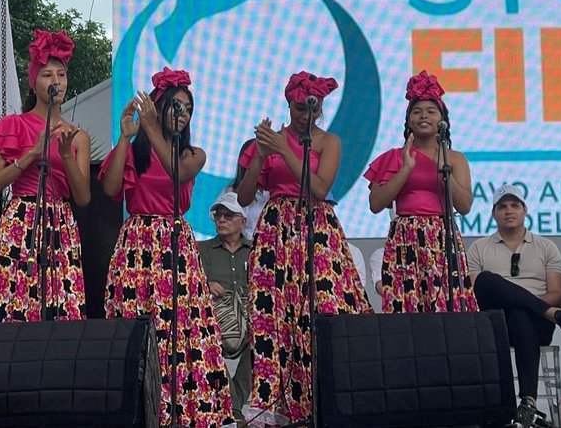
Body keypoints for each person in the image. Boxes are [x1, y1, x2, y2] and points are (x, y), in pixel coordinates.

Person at [235, 71, 373, 427]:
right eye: (299, 108)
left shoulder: (329, 142)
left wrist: (284, 151)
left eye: (312, 109)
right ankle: (278, 409)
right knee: (277, 319)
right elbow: (245, 196)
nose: (305, 116)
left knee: (324, 310)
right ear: (289, 105)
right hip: (276, 230)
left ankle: (328, 402)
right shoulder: (271, 140)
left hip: (317, 230)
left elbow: (320, 186)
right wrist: (261, 157)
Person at [100, 67, 231, 428]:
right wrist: (127, 137)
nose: (182, 113)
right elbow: (111, 190)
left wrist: (153, 127)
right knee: (140, 327)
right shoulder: (138, 151)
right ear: (159, 107)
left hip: (174, 244)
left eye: (187, 108)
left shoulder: (193, 154)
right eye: (175, 105)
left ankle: (185, 409)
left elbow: (177, 175)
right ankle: (140, 410)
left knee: (180, 328)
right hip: (137, 245)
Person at [0, 28, 91, 321]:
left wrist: (66, 154)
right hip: (22, 221)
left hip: (60, 223)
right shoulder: (12, 125)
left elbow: (82, 198)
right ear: (34, 82)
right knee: (16, 305)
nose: (56, 81)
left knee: (60, 308)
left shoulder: (78, 135)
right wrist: (31, 154)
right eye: (47, 74)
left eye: (61, 74)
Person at [467, 184, 561, 428]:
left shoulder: (546, 246)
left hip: (535, 324)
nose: (508, 211)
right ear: (493, 213)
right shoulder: (478, 248)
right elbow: (473, 292)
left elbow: (558, 294)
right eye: (502, 206)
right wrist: (549, 309)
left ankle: (527, 405)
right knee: (488, 280)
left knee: (520, 315)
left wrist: (523, 304)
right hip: (493, 325)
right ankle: (559, 318)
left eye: (514, 205)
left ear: (525, 210)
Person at [365, 70, 478, 312]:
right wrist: (405, 170)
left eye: (430, 111)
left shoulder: (455, 159)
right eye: (417, 112)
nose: (423, 116)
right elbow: (375, 204)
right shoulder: (394, 157)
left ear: (442, 119)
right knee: (408, 306)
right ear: (408, 121)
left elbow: (465, 206)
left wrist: (442, 168)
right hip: (405, 236)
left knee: (446, 306)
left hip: (442, 235)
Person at [197, 190, 252, 426]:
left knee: (261, 337)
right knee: (208, 341)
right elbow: (190, 279)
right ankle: (235, 411)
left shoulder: (256, 250)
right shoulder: (202, 250)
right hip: (215, 313)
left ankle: (237, 407)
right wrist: (206, 284)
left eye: (228, 216)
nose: (221, 220)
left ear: (242, 221)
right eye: (218, 215)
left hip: (249, 313)